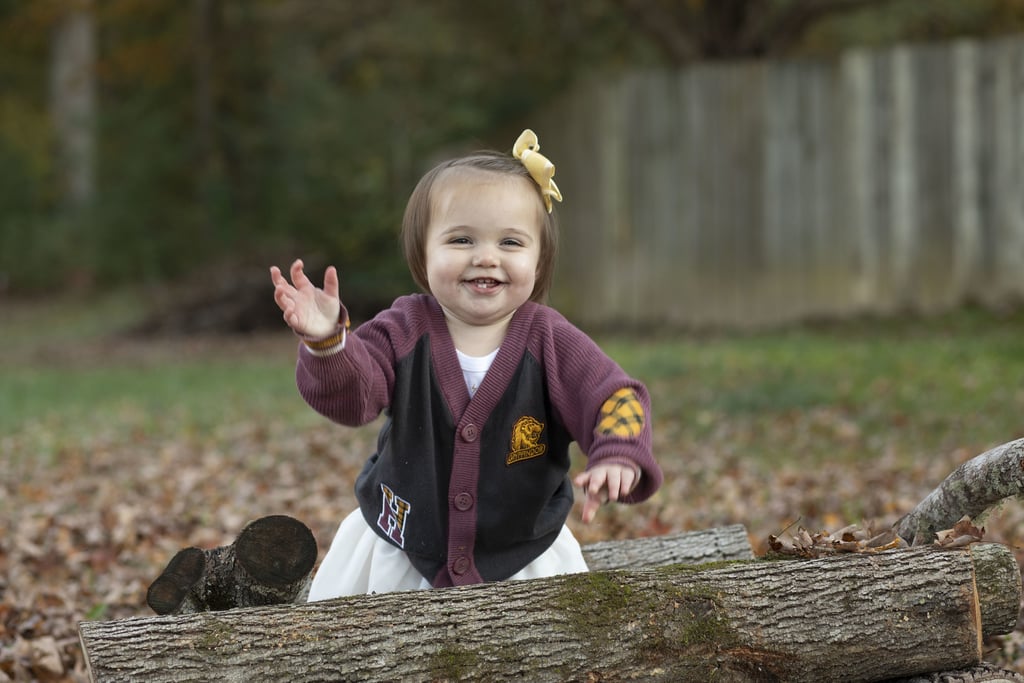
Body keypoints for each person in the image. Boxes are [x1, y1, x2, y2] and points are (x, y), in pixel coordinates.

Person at [270, 129, 662, 600]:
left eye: (512, 243)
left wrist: (619, 451)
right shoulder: (404, 327)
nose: (486, 257)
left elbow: (613, 396)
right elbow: (356, 395)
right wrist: (329, 342)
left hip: (523, 552)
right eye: (460, 239)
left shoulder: (551, 339)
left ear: (540, 260)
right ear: (423, 253)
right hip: (403, 545)